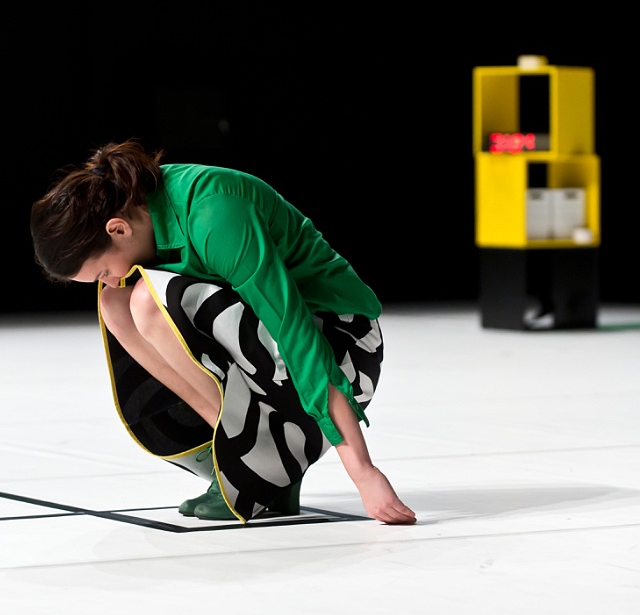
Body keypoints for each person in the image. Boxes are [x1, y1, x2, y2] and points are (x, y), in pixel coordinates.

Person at [30, 140, 416, 526]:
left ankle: (258, 463)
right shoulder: (138, 204)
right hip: (278, 348)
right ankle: (247, 463)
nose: (111, 278)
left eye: (102, 271)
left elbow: (295, 332)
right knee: (114, 303)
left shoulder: (213, 214)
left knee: (146, 300)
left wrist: (363, 472)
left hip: (342, 343)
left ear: (118, 228)